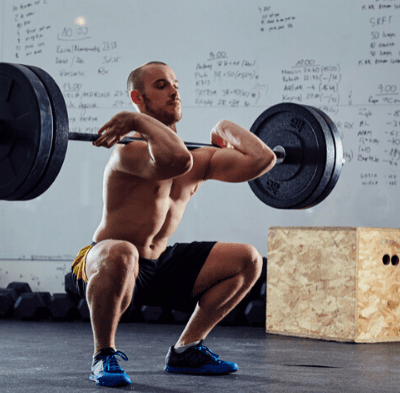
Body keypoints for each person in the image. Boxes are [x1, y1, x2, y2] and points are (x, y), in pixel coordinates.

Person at [70, 61, 276, 387]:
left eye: (176, 84)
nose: (174, 90)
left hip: (157, 264)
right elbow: (175, 160)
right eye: (162, 85)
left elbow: (263, 160)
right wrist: (138, 122)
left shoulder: (200, 158)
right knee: (122, 252)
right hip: (108, 262)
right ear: (138, 97)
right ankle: (103, 355)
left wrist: (224, 128)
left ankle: (187, 349)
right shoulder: (130, 151)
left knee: (248, 260)